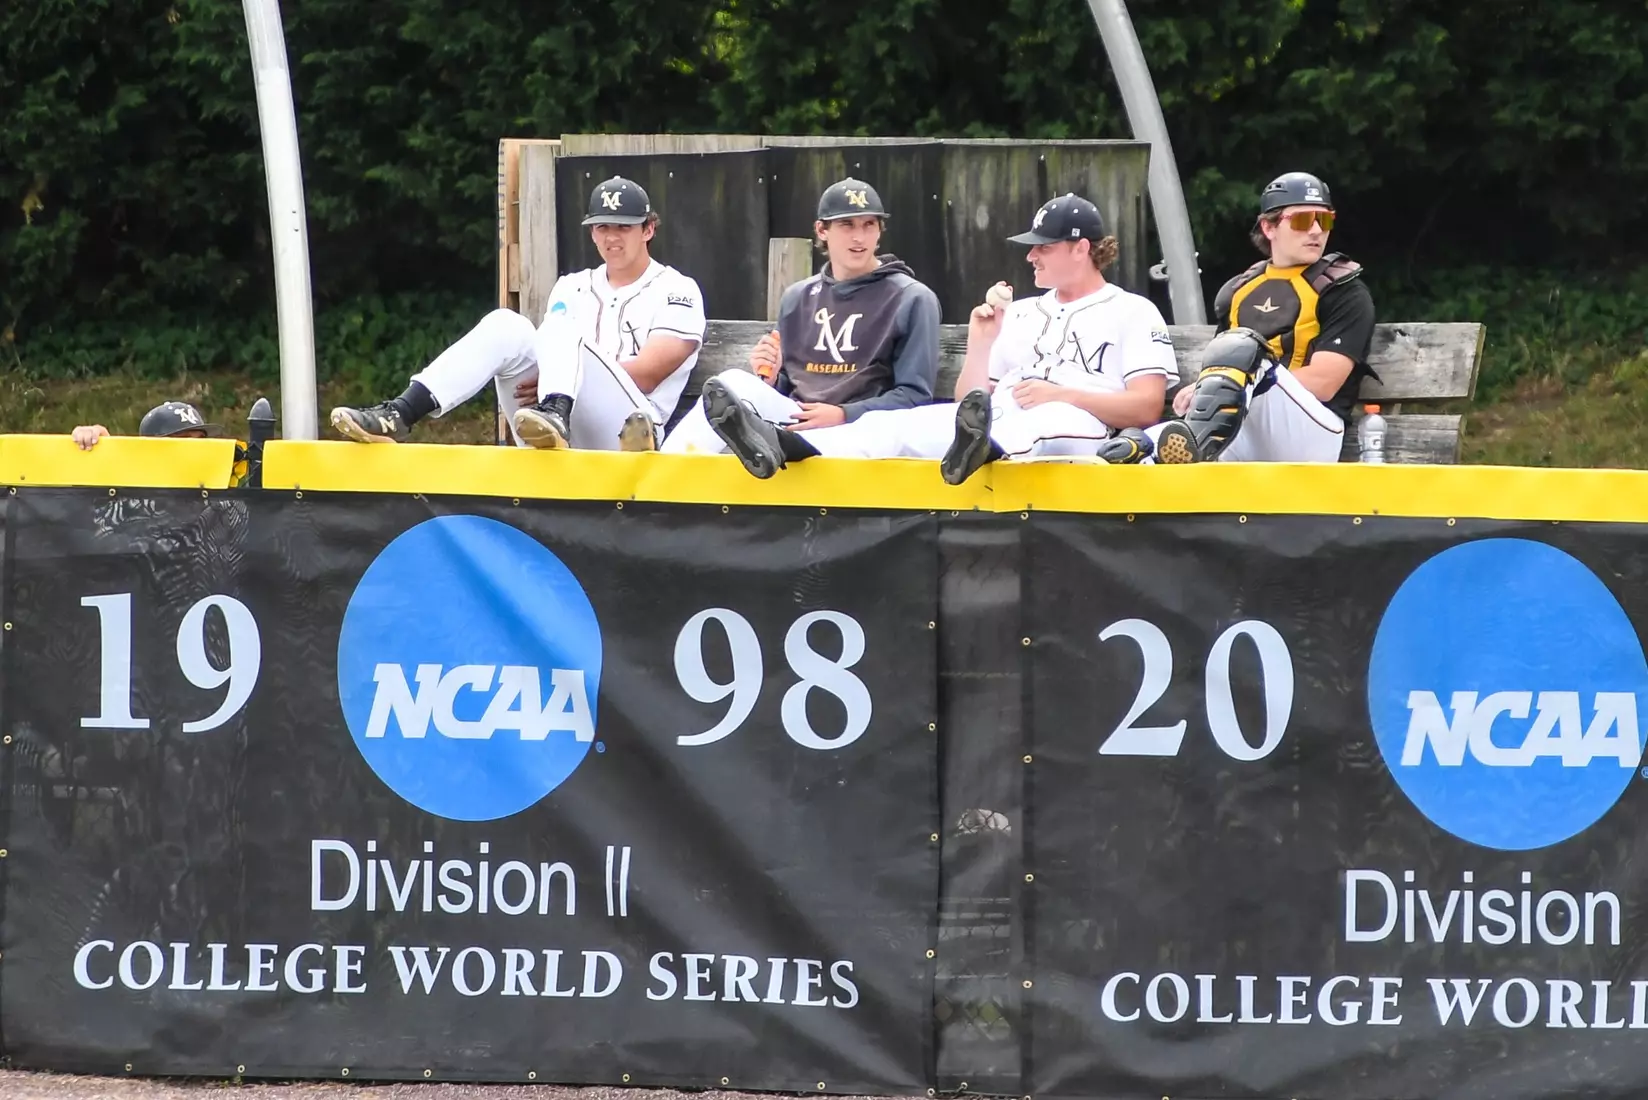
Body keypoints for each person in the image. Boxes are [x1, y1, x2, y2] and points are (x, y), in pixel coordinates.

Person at [702, 193, 1177, 484]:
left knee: (1043, 421)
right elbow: (971, 399)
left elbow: (1146, 407)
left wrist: (1062, 393)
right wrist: (981, 341)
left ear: (1081, 249)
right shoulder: (1026, 311)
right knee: (900, 427)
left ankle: (982, 449)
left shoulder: (1132, 310)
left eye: (1043, 248)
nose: (1031, 258)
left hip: (1082, 428)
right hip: (1002, 415)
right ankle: (786, 446)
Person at [329, 176, 707, 451]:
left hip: (629, 432)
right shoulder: (572, 285)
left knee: (561, 332)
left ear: (648, 229)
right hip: (554, 420)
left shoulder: (678, 289)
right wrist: (560, 370)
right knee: (506, 325)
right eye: (602, 227)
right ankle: (399, 413)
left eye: (624, 227)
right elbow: (552, 351)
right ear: (591, 233)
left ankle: (556, 409)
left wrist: (567, 371)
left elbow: (650, 374)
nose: (612, 237)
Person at [660, 178, 940, 454]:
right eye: (847, 225)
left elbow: (914, 396)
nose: (859, 237)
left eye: (869, 225)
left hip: (863, 430)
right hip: (795, 420)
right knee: (732, 382)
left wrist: (843, 414)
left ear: (880, 231)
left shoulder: (912, 298)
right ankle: (664, 477)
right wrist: (769, 381)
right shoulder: (798, 297)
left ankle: (770, 448)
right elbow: (788, 386)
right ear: (822, 230)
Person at [1151, 171, 1376, 464]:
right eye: (1302, 220)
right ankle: (1143, 448)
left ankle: (1197, 444)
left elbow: (1324, 382)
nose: (1316, 231)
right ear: (1268, 227)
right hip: (1245, 428)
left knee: (1246, 353)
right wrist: (1208, 389)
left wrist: (1232, 385)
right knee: (1135, 449)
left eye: (1325, 220)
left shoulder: (1344, 291)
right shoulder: (1238, 290)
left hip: (1313, 433)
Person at [72, 401, 220, 449]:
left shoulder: (217, 495)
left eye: (200, 440)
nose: (195, 448)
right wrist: (94, 435)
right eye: (183, 440)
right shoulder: (133, 494)